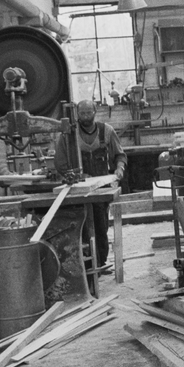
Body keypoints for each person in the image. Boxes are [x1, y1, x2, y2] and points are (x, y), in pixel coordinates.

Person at [54, 100, 127, 269]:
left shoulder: (106, 131)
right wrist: (75, 176)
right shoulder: (68, 134)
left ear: (95, 111)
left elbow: (120, 155)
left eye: (89, 113)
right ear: (77, 113)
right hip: (78, 189)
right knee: (82, 227)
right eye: (82, 113)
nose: (85, 117)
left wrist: (119, 169)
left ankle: (100, 263)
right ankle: (86, 265)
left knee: (101, 225)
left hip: (101, 188)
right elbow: (60, 163)